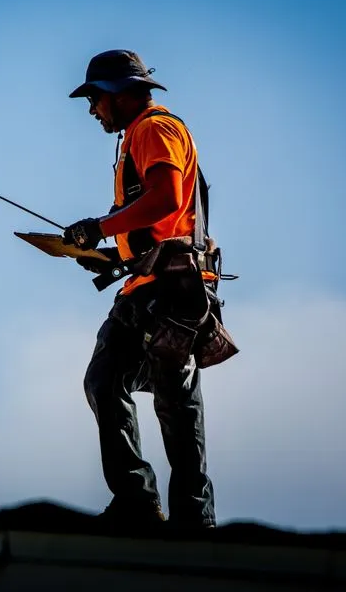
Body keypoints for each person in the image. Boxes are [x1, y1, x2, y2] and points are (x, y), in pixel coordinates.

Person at [62, 49, 236, 530]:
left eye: (94, 99)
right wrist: (109, 251)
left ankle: (189, 519)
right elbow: (159, 221)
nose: (93, 110)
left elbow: (167, 199)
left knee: (171, 400)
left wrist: (99, 227)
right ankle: (142, 503)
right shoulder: (140, 134)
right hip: (151, 284)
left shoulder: (153, 128)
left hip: (171, 290)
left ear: (117, 93)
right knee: (114, 383)